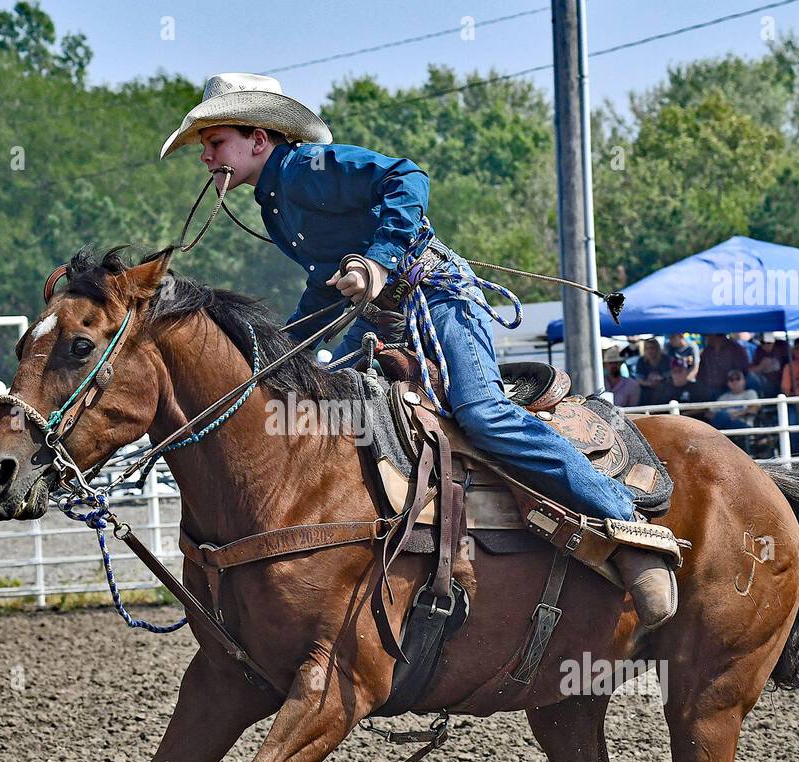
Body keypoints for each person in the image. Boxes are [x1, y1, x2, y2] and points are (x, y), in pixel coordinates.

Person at [160, 72, 677, 626]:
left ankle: (624, 519)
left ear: (258, 140)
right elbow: (324, 283)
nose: (206, 157)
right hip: (384, 316)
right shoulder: (275, 203)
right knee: (322, 412)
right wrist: (282, 353)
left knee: (482, 413)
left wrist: (375, 261)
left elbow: (407, 179)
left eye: (215, 143)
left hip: (437, 296)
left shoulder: (306, 168)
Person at [712, 369, 760, 450]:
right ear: (728, 383)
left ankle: (712, 440)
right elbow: (709, 412)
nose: (734, 381)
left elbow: (754, 409)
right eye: (731, 379)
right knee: (721, 416)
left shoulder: (750, 393)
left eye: (737, 378)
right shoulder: (724, 397)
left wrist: (735, 415)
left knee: (722, 416)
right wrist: (727, 417)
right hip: (725, 426)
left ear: (744, 381)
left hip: (743, 424)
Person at [631, 338, 667, 406]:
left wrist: (660, 379)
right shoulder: (641, 361)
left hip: (664, 390)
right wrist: (649, 383)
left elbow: (670, 377)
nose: (649, 351)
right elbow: (639, 380)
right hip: (646, 391)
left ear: (657, 349)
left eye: (652, 348)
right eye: (647, 348)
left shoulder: (665, 359)